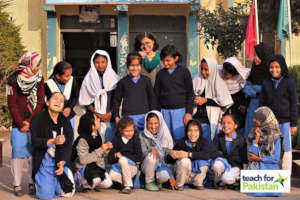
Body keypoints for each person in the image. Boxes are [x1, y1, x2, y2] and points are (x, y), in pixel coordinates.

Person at [7, 51, 45, 196]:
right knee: (18, 154)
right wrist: (20, 122)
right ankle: (16, 184)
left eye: (39, 65)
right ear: (27, 64)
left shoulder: (40, 78)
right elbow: (12, 104)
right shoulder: (13, 79)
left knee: (32, 155)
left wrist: (29, 121)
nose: (37, 67)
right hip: (18, 125)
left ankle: (31, 182)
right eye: (36, 64)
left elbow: (40, 101)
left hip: (34, 123)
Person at [31, 92, 75, 199]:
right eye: (55, 99)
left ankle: (68, 176)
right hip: (44, 160)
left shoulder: (65, 121)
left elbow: (69, 145)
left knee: (67, 193)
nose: (58, 102)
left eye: (61, 101)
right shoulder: (38, 118)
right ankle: (39, 182)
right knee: (46, 195)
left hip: (60, 161)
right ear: (47, 102)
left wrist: (62, 162)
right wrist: (52, 141)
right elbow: (34, 141)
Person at [259, 54, 298, 171]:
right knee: (271, 147)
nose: (274, 70)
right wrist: (261, 120)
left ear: (282, 67)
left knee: (286, 148)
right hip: (270, 123)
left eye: (277, 67)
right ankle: (271, 173)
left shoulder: (289, 82)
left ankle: (286, 175)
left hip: (285, 122)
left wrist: (294, 124)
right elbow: (262, 103)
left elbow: (293, 103)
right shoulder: (266, 83)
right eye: (271, 67)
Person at [154, 45, 194, 140]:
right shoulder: (160, 74)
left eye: (168, 60)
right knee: (165, 139)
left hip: (181, 112)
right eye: (163, 61)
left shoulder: (184, 72)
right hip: (164, 112)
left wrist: (188, 112)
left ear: (176, 58)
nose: (165, 63)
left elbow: (190, 93)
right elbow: (156, 95)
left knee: (180, 139)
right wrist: (157, 112)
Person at [79, 50, 119, 142]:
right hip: (94, 117)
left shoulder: (114, 78)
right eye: (97, 62)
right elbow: (86, 100)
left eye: (103, 62)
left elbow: (117, 98)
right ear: (93, 63)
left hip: (110, 117)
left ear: (107, 62)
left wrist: (110, 114)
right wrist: (98, 115)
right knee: (94, 142)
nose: (100, 65)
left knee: (110, 142)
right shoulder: (88, 79)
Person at [193, 58, 233, 143]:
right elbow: (190, 92)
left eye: (206, 69)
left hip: (209, 121)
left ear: (212, 69)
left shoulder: (218, 82)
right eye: (202, 69)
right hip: (196, 120)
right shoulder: (197, 77)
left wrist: (206, 100)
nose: (203, 72)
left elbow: (223, 101)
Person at [166, 119, 214, 191]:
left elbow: (206, 155)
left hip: (196, 176)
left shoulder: (204, 142)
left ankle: (198, 183)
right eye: (190, 130)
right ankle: (179, 185)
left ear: (200, 131)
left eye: (196, 130)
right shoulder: (181, 142)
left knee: (203, 162)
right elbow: (168, 159)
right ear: (186, 131)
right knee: (184, 161)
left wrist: (188, 154)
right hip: (183, 176)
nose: (193, 134)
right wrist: (173, 155)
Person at [113, 52, 156, 131]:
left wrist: (153, 115)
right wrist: (116, 116)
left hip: (145, 117)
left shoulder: (146, 80)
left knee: (145, 141)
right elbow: (116, 101)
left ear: (141, 66)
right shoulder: (122, 82)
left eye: (137, 65)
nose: (135, 68)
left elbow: (152, 99)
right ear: (127, 66)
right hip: (128, 118)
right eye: (132, 65)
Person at [73, 111, 113, 192]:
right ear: (91, 125)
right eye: (96, 119)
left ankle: (91, 183)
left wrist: (107, 149)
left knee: (108, 183)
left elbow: (102, 156)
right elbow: (83, 160)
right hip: (83, 167)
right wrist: (101, 150)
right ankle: (81, 180)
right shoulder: (82, 140)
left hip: (96, 166)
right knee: (96, 180)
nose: (99, 120)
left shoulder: (100, 136)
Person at [247, 106, 282, 197]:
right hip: (258, 166)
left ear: (264, 120)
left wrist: (259, 158)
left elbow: (276, 158)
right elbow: (250, 155)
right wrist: (257, 138)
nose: (254, 120)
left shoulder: (276, 136)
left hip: (270, 166)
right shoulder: (253, 132)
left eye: (256, 118)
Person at [139, 110, 176, 191]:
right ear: (146, 123)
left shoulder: (164, 135)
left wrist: (172, 153)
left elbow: (167, 157)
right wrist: (150, 149)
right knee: (152, 156)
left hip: (161, 166)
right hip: (147, 167)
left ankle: (158, 182)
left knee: (164, 176)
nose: (153, 126)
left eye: (156, 123)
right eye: (150, 123)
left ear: (160, 123)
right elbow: (141, 155)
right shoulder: (142, 136)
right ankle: (149, 182)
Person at [243, 43, 274, 139]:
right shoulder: (255, 69)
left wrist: (255, 88)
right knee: (250, 133)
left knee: (264, 135)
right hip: (253, 107)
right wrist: (256, 90)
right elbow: (246, 87)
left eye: (257, 55)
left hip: (266, 108)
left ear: (264, 56)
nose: (255, 58)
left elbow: (269, 89)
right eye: (254, 55)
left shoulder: (271, 72)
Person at [108, 116, 143, 194]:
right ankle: (123, 183)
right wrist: (116, 156)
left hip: (132, 168)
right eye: (127, 131)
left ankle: (128, 186)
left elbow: (139, 158)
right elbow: (110, 159)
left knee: (122, 159)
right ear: (121, 130)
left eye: (131, 130)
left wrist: (121, 156)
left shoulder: (135, 139)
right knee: (111, 176)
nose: (130, 133)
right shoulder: (116, 139)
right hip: (119, 168)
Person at [212, 114, 247, 190]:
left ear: (235, 125)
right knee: (216, 165)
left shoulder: (241, 139)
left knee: (226, 179)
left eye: (229, 123)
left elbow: (244, 158)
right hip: (223, 163)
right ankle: (220, 182)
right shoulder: (218, 137)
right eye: (223, 123)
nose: (225, 125)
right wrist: (224, 159)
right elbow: (213, 152)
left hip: (235, 166)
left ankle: (235, 180)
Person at [45, 61, 79, 136]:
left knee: (69, 138)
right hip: (54, 118)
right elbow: (46, 103)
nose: (69, 78)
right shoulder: (48, 84)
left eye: (70, 75)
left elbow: (75, 96)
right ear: (57, 76)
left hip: (69, 116)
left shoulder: (72, 81)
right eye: (66, 76)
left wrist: (69, 108)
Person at [221, 57, 250, 132]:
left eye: (226, 73)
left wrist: (244, 104)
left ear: (234, 74)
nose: (223, 73)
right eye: (223, 70)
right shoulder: (218, 73)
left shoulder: (242, 77)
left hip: (238, 105)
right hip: (223, 104)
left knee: (238, 126)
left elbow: (247, 93)